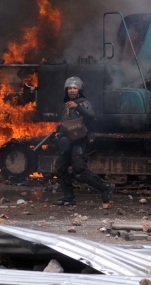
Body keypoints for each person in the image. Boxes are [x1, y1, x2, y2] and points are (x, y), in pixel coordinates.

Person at [53, 76, 114, 207]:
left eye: (75, 88)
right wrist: (60, 131)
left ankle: (105, 187)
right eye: (69, 88)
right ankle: (69, 197)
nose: (72, 90)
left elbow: (91, 116)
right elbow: (66, 121)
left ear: (79, 89)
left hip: (79, 141)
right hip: (66, 142)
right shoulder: (65, 104)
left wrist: (77, 107)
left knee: (80, 170)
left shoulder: (83, 102)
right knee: (60, 168)